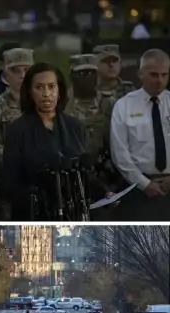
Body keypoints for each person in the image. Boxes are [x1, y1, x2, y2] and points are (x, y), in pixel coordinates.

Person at [2, 63, 111, 221]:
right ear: (30, 92)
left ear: (59, 91)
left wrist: (104, 192)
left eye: (51, 86)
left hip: (75, 213)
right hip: (35, 214)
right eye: (39, 87)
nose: (46, 93)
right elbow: (10, 183)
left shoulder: (75, 126)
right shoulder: (18, 130)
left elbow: (84, 172)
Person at [110, 49, 170, 221]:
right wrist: (144, 184)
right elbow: (119, 153)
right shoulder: (124, 106)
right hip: (138, 189)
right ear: (140, 74)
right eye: (154, 75)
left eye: (164, 75)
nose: (160, 80)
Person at [64, 54, 120, 213]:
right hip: (72, 180)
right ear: (72, 76)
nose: (87, 77)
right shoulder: (62, 105)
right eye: (81, 73)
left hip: (106, 177)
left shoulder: (109, 103)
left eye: (91, 73)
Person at [0, 48, 33, 219]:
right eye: (15, 70)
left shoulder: (44, 104)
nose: (21, 75)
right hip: (9, 185)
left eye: (26, 70)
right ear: (4, 71)